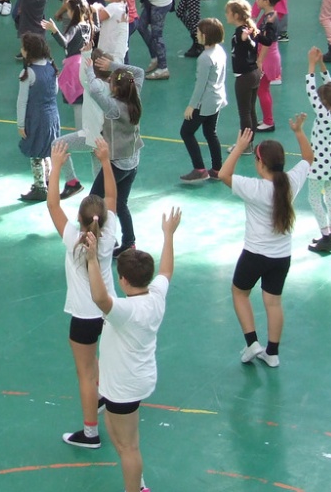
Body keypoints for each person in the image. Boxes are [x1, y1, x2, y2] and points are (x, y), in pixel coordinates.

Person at [85, 206, 180, 492]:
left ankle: (136, 488)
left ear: (124, 280)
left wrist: (92, 260)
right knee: (115, 431)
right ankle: (137, 483)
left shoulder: (126, 311)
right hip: (133, 379)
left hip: (125, 386)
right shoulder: (156, 295)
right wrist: (168, 234)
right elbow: (167, 270)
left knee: (129, 447)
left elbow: (100, 298)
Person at [218, 115, 314, 367]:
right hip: (281, 257)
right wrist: (299, 132)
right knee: (273, 303)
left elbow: (224, 174)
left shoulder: (254, 188)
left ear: (260, 163)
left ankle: (252, 343)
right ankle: (272, 353)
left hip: (254, 255)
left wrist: (239, 147)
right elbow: (308, 158)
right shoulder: (290, 182)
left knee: (239, 293)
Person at [47, 138, 117, 450]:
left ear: (79, 219)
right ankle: (102, 397)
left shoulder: (73, 239)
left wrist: (56, 167)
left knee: (85, 373)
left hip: (84, 317)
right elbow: (112, 197)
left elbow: (53, 205)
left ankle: (90, 434)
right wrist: (105, 161)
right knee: (99, 362)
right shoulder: (109, 234)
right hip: (109, 311)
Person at [86, 54, 145, 256]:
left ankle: (97, 241)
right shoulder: (135, 95)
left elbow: (94, 90)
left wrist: (89, 70)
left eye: (111, 81)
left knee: (93, 200)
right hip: (133, 162)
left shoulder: (113, 108)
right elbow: (139, 72)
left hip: (116, 165)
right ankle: (129, 242)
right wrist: (113, 65)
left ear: (117, 89)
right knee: (120, 203)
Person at [45, 0, 97, 197]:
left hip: (76, 75)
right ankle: (97, 185)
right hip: (86, 72)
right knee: (92, 140)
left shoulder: (75, 27)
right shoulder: (89, 26)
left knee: (80, 136)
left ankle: (72, 180)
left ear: (74, 11)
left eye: (68, 10)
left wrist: (54, 30)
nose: (66, 13)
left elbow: (65, 43)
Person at [305, 48, 331, 253]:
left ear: (324, 101)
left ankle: (326, 236)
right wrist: (322, 65)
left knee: (314, 199)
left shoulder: (323, 113)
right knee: (330, 199)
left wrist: (311, 65)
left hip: (319, 164)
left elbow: (311, 91)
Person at [179, 18, 228, 183]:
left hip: (204, 103)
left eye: (199, 32)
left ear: (205, 35)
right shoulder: (219, 51)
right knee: (210, 133)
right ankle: (217, 169)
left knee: (186, 132)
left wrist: (191, 106)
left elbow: (200, 85)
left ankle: (199, 169)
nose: (196, 34)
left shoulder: (204, 58)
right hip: (217, 99)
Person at [17, 33, 61, 203]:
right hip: (52, 115)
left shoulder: (28, 73)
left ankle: (39, 187)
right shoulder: (51, 67)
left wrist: (20, 124)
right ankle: (49, 182)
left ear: (29, 51)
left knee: (35, 153)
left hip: (36, 118)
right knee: (47, 150)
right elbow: (55, 90)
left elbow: (22, 101)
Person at [225, 0, 260, 154]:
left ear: (236, 15)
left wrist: (246, 40)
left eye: (228, 12)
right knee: (251, 110)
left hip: (245, 77)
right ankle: (249, 143)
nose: (226, 15)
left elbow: (247, 43)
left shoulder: (242, 32)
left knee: (244, 112)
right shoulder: (247, 29)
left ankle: (245, 145)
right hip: (254, 74)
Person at [253, 0, 282, 132]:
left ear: (267, 1)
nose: (256, 1)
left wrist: (259, 61)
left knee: (262, 90)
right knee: (264, 89)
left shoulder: (268, 20)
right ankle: (267, 119)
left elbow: (266, 43)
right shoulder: (270, 15)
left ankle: (268, 121)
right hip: (270, 56)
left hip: (267, 58)